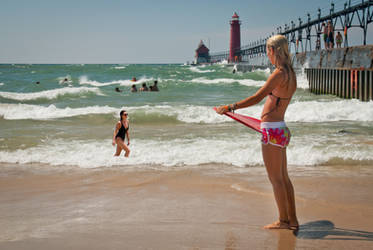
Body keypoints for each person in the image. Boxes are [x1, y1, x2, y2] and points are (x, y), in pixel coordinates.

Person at [216, 35, 298, 230]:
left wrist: (230, 107)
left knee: (275, 179)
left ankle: (284, 221)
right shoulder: (291, 73)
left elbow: (257, 97)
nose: (267, 55)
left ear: (275, 51)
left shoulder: (278, 73)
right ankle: (293, 219)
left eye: (268, 51)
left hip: (271, 131)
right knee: (284, 178)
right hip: (281, 129)